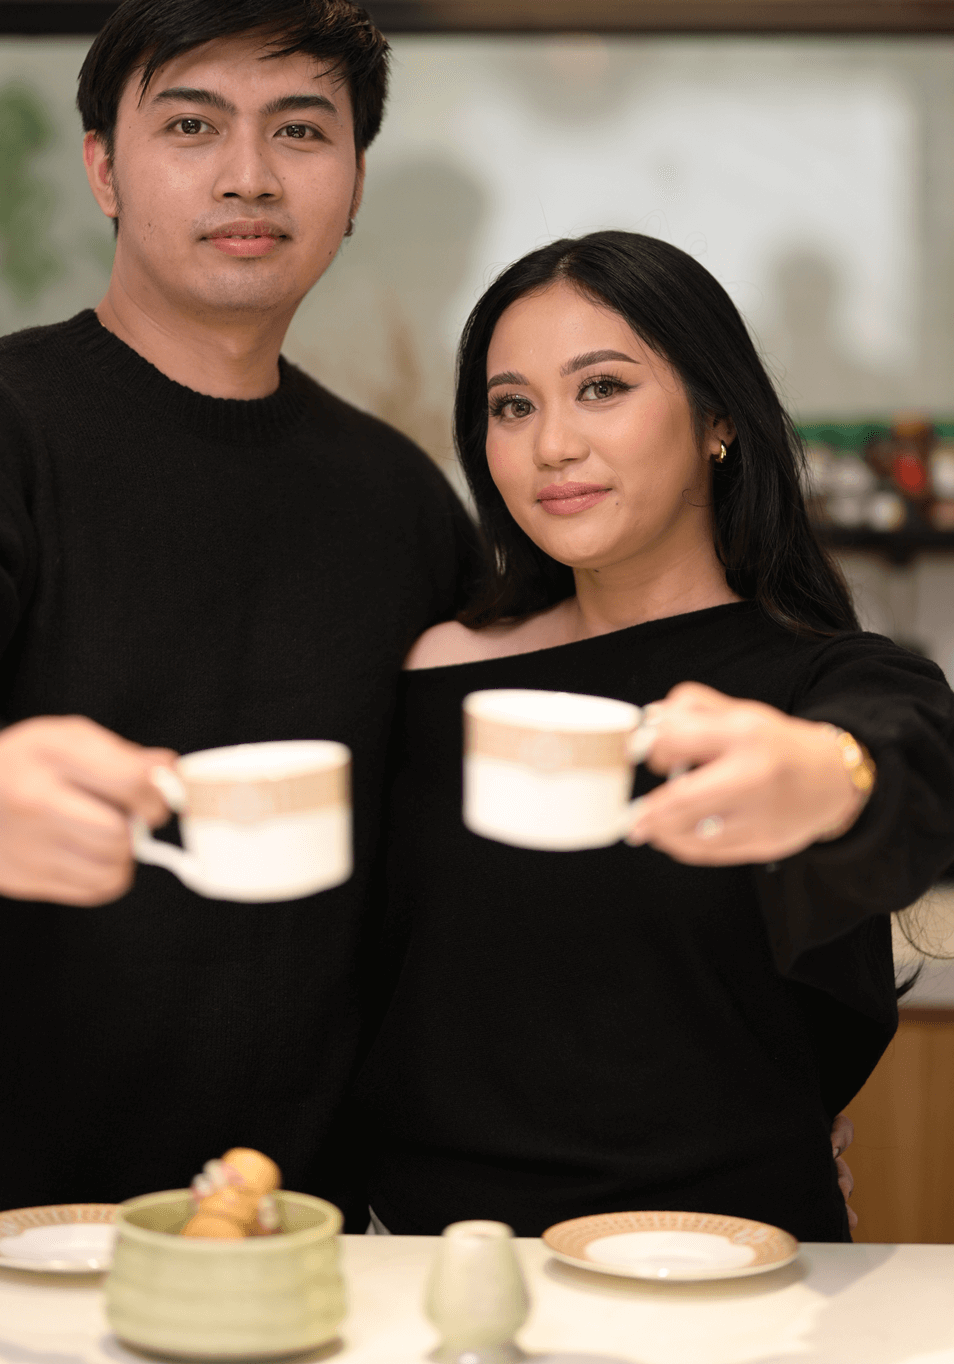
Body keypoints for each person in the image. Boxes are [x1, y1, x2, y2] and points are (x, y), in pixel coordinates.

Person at [0, 0, 480, 1225]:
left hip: (289, 1230)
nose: (248, 175)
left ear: (355, 184)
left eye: (300, 130)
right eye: (190, 125)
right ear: (104, 169)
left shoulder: (397, 499)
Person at [359, 231, 954, 1240]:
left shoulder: (816, 683)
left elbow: (917, 755)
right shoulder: (438, 667)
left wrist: (828, 773)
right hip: (438, 1265)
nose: (552, 444)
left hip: (726, 1260)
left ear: (718, 417)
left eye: (601, 388)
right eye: (512, 406)